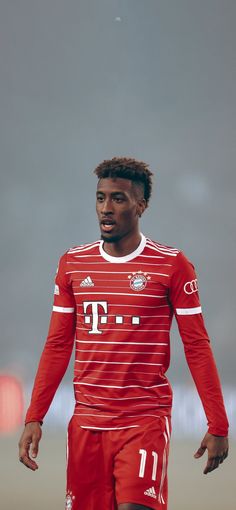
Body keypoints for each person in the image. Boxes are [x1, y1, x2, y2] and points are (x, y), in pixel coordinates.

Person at [19, 157, 229, 510]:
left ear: (141, 206)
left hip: (143, 421)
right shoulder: (73, 263)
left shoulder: (171, 265)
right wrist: (34, 417)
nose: (106, 208)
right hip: (87, 425)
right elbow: (57, 345)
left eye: (118, 199)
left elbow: (196, 345)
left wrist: (218, 423)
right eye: (101, 198)